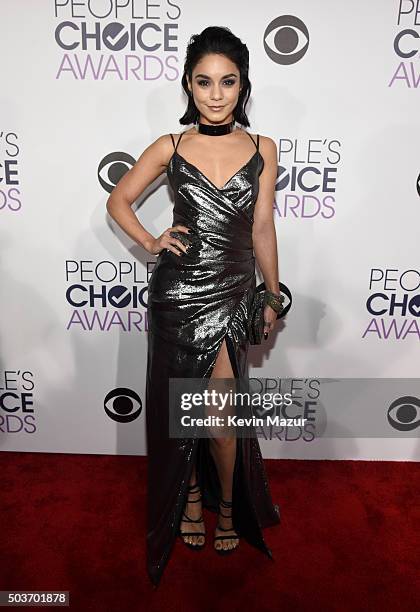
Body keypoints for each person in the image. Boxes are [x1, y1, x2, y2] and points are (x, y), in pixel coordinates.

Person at [106, 26, 281, 588]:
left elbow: (261, 228)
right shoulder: (171, 146)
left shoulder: (262, 149)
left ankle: (226, 506)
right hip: (177, 296)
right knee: (179, 412)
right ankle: (188, 499)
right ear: (189, 84)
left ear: (242, 86)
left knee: (222, 420)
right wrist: (153, 241)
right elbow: (118, 199)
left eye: (227, 82)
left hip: (232, 296)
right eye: (204, 82)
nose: (215, 93)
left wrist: (273, 293)